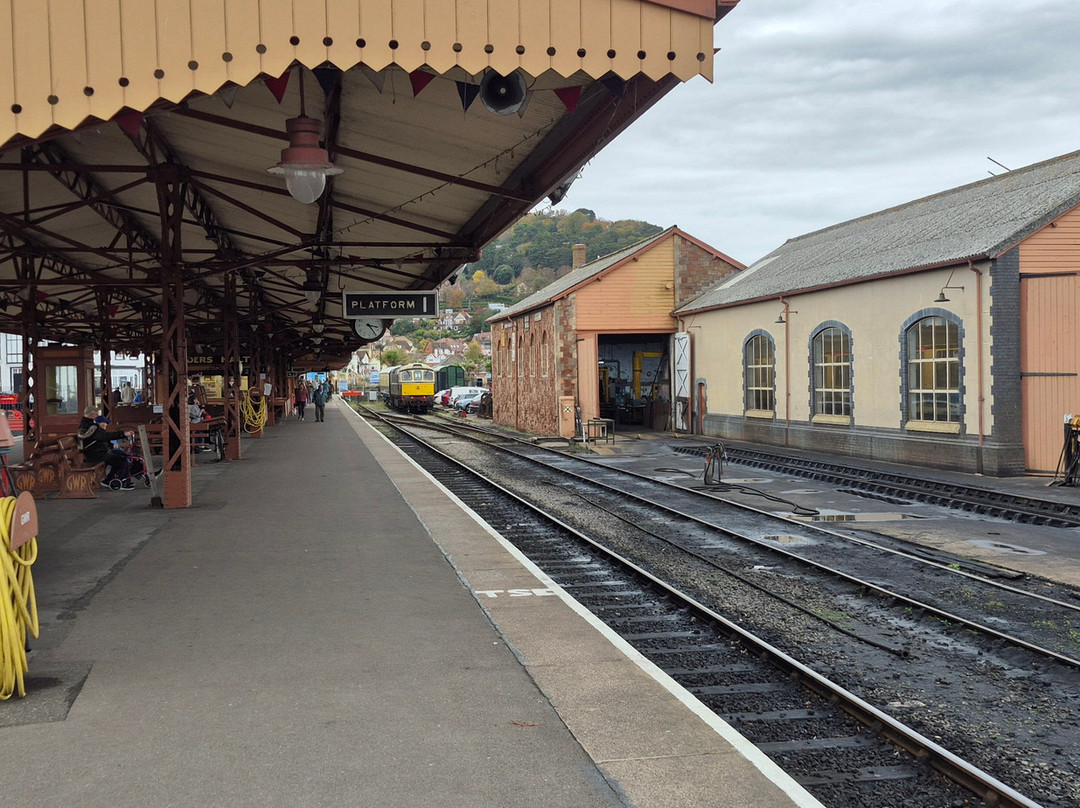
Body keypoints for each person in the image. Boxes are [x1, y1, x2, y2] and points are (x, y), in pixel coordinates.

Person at [77, 405, 135, 489]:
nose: (97, 416)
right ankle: (120, 482)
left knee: (123, 456)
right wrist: (123, 434)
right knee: (122, 460)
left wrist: (111, 445)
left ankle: (112, 480)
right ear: (91, 415)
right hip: (96, 454)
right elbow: (105, 436)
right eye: (96, 414)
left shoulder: (86, 424)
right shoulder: (91, 426)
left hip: (95, 452)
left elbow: (101, 438)